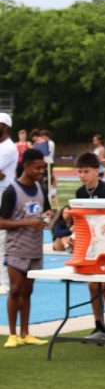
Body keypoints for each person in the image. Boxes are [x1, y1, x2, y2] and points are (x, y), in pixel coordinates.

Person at [62, 152, 105, 345]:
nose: (82, 175)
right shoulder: (79, 193)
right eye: (80, 171)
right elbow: (80, 223)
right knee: (92, 285)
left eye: (86, 171)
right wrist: (73, 234)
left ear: (97, 171)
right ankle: (99, 326)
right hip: (90, 243)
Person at [0, 147, 51, 347]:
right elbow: (1, 222)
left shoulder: (41, 189)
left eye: (43, 168)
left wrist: (48, 218)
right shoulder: (11, 191)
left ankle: (25, 333)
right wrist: (28, 223)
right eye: (38, 168)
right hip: (16, 248)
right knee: (14, 290)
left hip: (35, 248)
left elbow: (47, 211)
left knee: (28, 291)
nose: (41, 172)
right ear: (27, 166)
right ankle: (12, 334)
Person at [0, 112, 19, 294]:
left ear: (4, 126)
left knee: (2, 240)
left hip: (4, 193)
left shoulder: (8, 148)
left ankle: (5, 283)